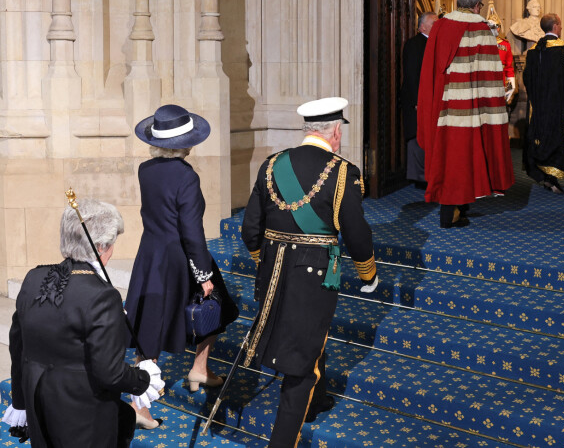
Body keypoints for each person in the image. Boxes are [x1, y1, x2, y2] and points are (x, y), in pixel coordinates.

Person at [241, 97, 378, 448]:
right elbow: (356, 232)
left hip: (272, 274)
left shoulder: (271, 164)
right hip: (314, 277)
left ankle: (314, 403)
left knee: (303, 341)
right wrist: (368, 274)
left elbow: (250, 230)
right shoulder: (344, 171)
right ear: (336, 131)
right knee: (301, 362)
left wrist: (264, 261)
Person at [4, 199, 162, 448]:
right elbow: (109, 373)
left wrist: (21, 402)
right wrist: (143, 379)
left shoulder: (33, 278)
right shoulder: (102, 295)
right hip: (83, 414)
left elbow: (17, 348)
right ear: (100, 246)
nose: (112, 252)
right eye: (111, 245)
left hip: (39, 403)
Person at [124, 104, 239, 426]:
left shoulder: (145, 169)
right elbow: (192, 232)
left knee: (150, 325)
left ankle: (199, 369)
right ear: (186, 143)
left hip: (150, 256)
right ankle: (139, 406)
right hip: (180, 259)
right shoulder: (187, 176)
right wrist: (203, 275)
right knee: (216, 306)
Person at [417, 0, 514, 228]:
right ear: (477, 5)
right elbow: (491, 79)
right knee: (467, 157)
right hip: (476, 111)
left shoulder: (440, 26)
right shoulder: (482, 29)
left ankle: (458, 208)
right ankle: (451, 213)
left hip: (448, 108)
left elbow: (431, 70)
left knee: (451, 158)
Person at [523, 13, 564, 193]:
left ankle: (547, 178)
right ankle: (552, 177)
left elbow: (527, 78)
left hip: (539, 107)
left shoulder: (532, 51)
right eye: (560, 25)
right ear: (555, 26)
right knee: (559, 140)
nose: (561, 28)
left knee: (542, 139)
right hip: (560, 107)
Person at [401, 11, 437, 187]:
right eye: (433, 23)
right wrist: (417, 101)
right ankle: (419, 178)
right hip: (417, 102)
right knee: (417, 139)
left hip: (431, 101)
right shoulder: (414, 44)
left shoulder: (435, 42)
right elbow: (411, 75)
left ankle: (429, 175)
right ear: (422, 26)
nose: (437, 26)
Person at [486, 2, 516, 106]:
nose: (494, 29)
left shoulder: (505, 45)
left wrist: (511, 86)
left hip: (500, 82)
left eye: (495, 26)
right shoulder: (481, 43)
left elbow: (509, 67)